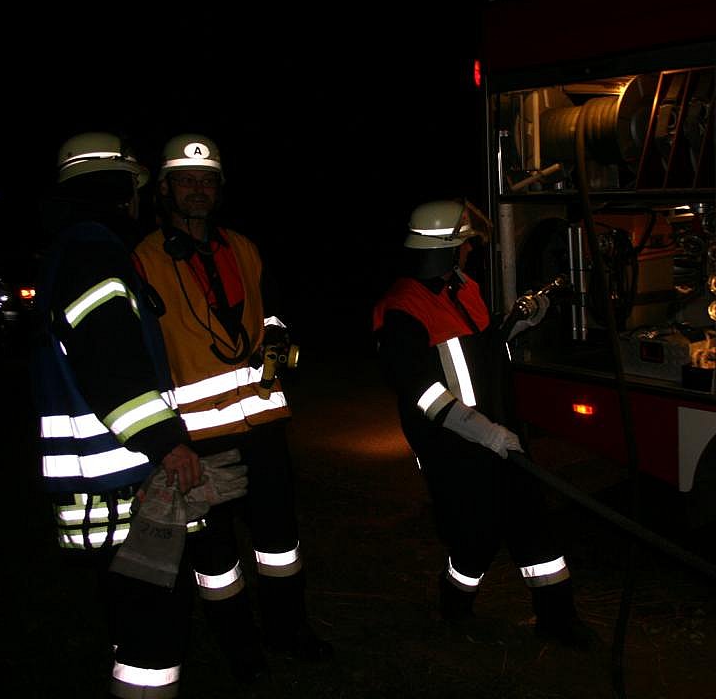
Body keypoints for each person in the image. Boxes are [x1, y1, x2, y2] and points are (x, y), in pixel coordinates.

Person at [131, 132, 333, 667]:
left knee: (280, 542)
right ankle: (239, 646)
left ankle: (289, 630)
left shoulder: (243, 247)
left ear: (219, 188)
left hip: (263, 426)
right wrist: (164, 440)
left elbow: (273, 313)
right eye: (186, 181)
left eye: (207, 180)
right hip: (197, 438)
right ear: (164, 189)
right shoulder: (143, 260)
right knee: (215, 556)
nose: (198, 190)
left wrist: (277, 341)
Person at [30, 131, 215, 697]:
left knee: (131, 622)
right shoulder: (94, 256)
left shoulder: (71, 252)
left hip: (108, 485)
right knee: (154, 633)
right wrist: (166, 444)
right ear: (124, 192)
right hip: (127, 485)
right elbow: (111, 366)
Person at [372, 198, 595, 650]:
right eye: (466, 244)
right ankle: (455, 602)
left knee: (533, 525)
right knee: (473, 537)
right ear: (447, 248)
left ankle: (558, 618)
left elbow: (483, 346)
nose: (471, 250)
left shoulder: (462, 287)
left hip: (501, 437)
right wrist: (485, 433)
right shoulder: (401, 310)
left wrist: (521, 320)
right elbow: (423, 394)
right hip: (454, 451)